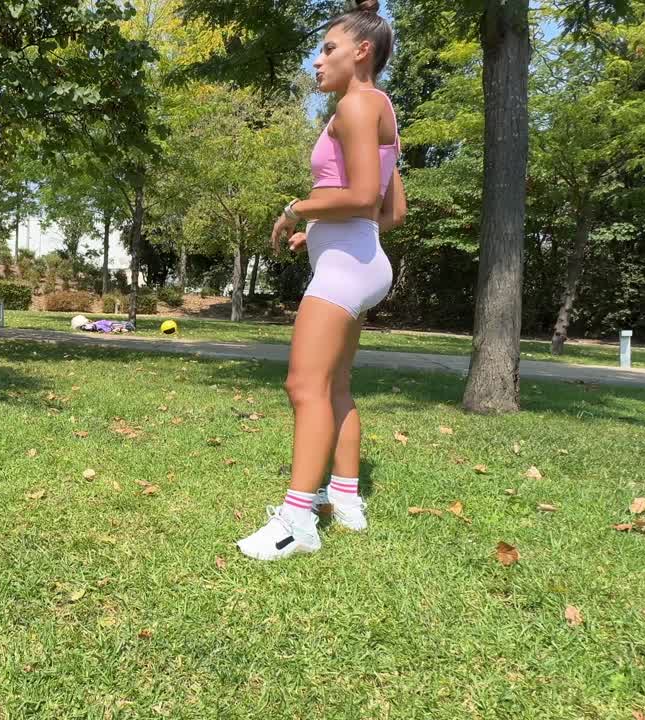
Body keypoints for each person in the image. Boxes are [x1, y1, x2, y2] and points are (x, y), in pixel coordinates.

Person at [237, 0, 407, 561]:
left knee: (304, 386)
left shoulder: (355, 105)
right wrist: (320, 233)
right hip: (364, 259)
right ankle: (347, 500)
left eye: (328, 48)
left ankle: (297, 522)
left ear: (361, 51)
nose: (317, 60)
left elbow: (359, 197)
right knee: (335, 387)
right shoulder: (381, 108)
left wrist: (298, 210)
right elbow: (391, 212)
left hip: (345, 269)